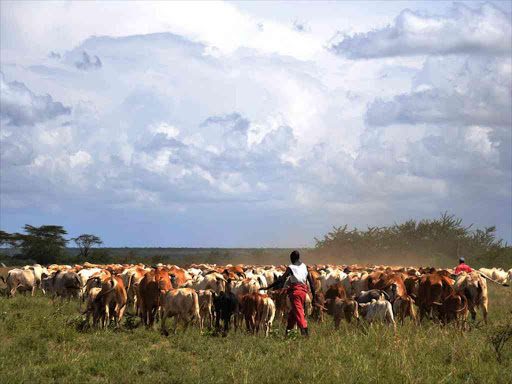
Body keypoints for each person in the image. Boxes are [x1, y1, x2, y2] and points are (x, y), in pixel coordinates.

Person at [260, 250, 316, 336]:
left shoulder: (291, 267)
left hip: (295, 293)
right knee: (293, 313)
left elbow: (282, 279)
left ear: (292, 258)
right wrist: (314, 297)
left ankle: (306, 334)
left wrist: (268, 287)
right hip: (303, 292)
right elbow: (311, 283)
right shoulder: (305, 267)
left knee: (299, 313)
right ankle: (288, 331)